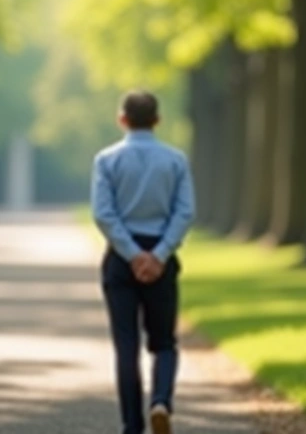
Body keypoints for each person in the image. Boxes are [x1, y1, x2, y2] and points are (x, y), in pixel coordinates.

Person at [91, 90, 196, 434]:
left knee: (126, 348)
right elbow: (185, 212)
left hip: (122, 260)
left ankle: (132, 426)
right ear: (157, 120)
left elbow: (103, 214)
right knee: (164, 343)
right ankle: (161, 401)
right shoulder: (176, 160)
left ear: (122, 119)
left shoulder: (106, 160)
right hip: (161, 257)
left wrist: (133, 254)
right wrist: (159, 254)